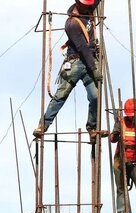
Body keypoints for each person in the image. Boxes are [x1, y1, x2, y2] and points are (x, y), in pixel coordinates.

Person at [33, 0, 108, 142]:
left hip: (91, 60)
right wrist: (94, 69)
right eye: (85, 5)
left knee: (95, 97)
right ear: (78, 4)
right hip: (77, 63)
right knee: (61, 96)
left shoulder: (88, 8)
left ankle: (92, 128)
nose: (88, 8)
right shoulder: (71, 24)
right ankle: (43, 126)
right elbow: (83, 48)